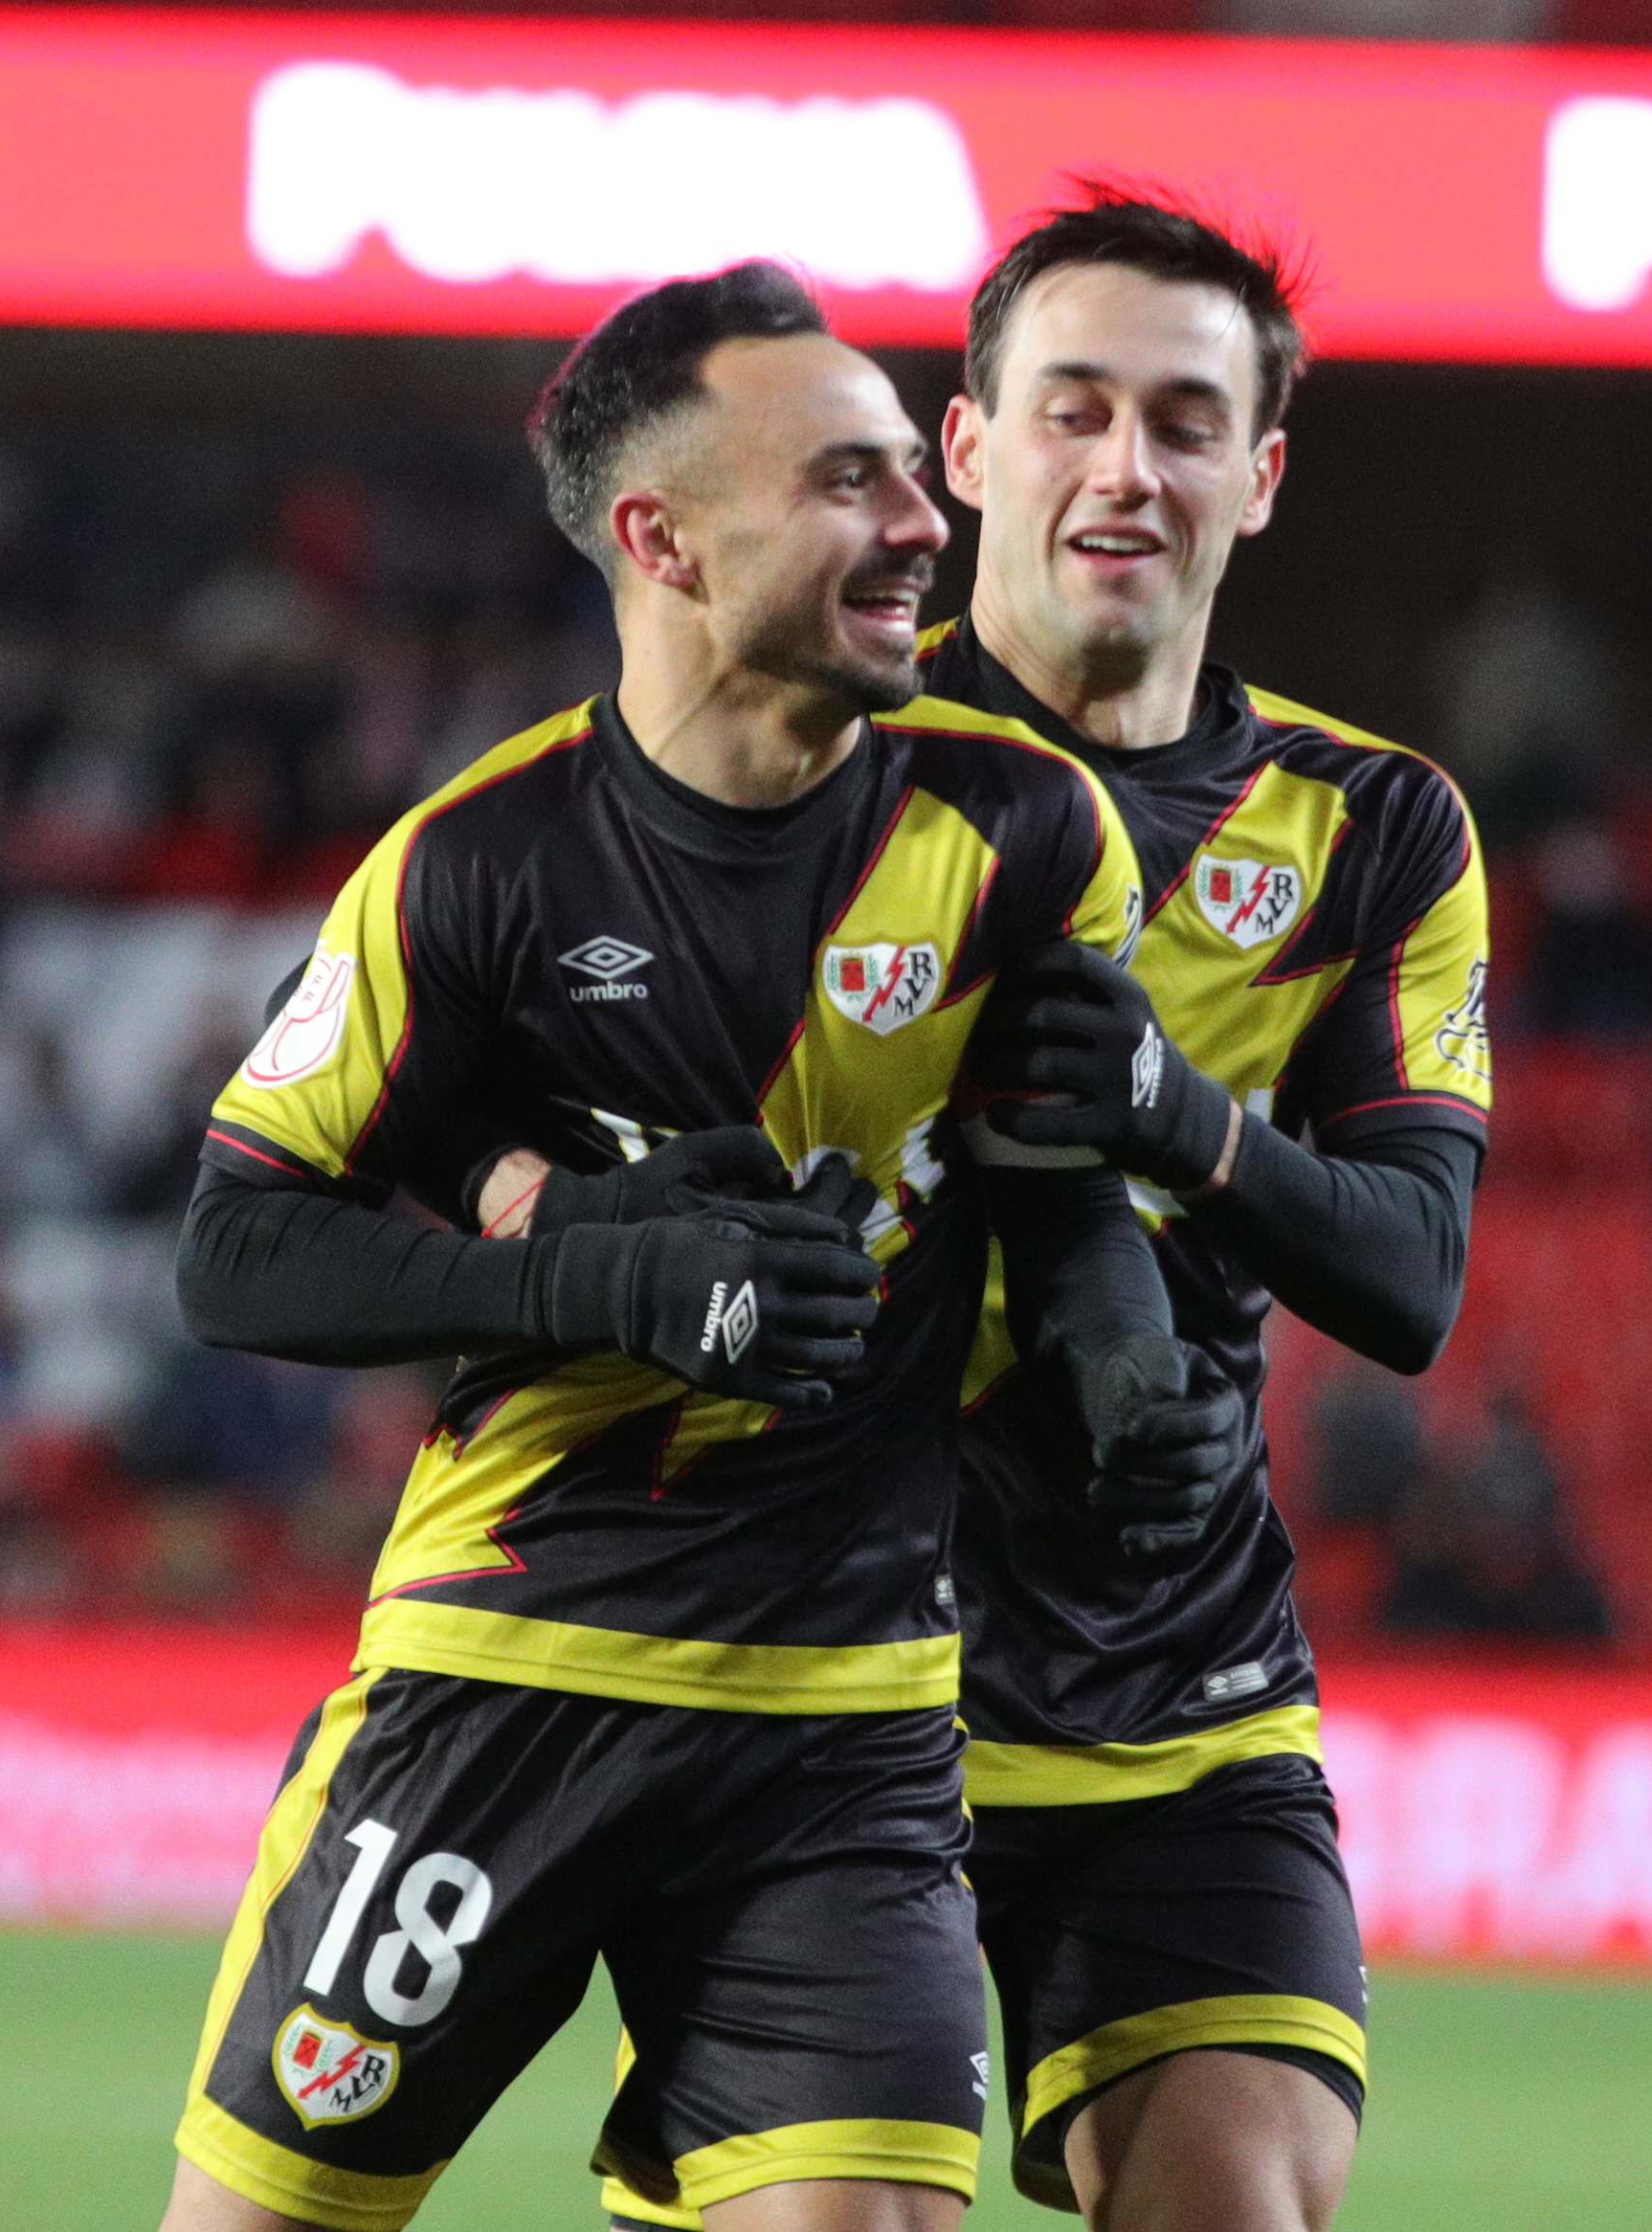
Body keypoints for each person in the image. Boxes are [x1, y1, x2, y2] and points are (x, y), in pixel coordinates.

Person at [159, 262, 1233, 2232]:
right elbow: (236, 1244)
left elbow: (1060, 1194)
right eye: (849, 480)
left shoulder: (1032, 832)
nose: (922, 520)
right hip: (512, 1672)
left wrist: (1120, 1363)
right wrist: (596, 1277)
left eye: (915, 471)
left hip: (850, 1718)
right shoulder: (477, 865)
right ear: (659, 535)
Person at [597, 193, 1489, 2232]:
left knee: (1238, 2200)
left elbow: (1411, 1269)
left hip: (1177, 1690)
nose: (1125, 466)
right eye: (1072, 409)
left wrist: (1181, 1115)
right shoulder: (796, 769)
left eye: (1186, 421)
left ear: (1258, 478)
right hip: (813, 1690)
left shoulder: (1375, 828)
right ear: (970, 449)